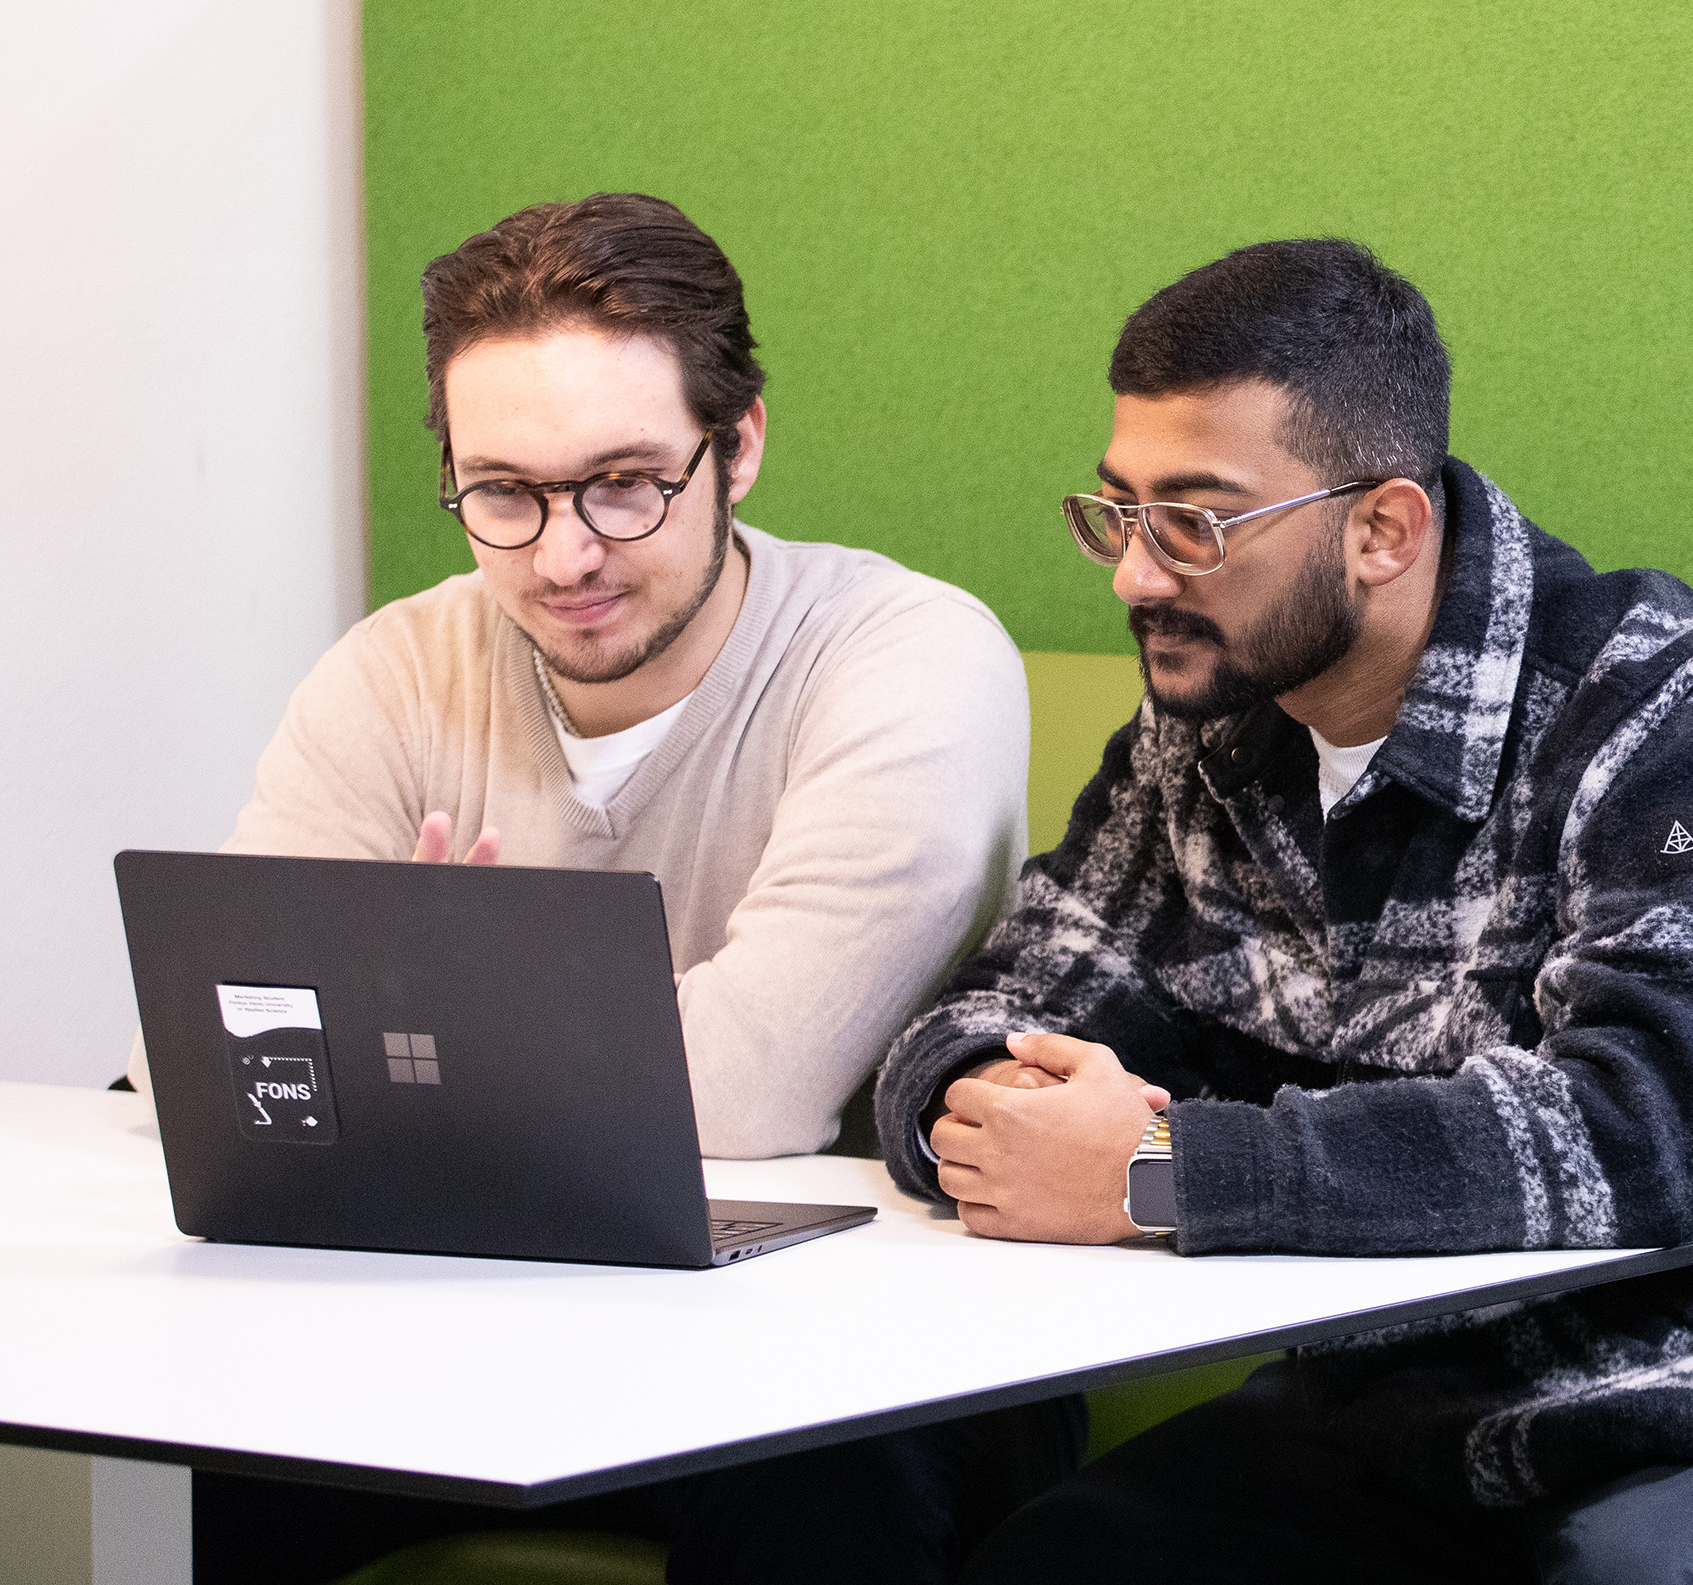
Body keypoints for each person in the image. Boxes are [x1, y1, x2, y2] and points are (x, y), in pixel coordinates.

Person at [878, 238, 1693, 1585]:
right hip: (1419, 1399)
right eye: (1120, 512)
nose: (1138, 576)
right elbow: (1012, 994)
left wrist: (1159, 1169)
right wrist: (989, 1109)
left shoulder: (1678, 703)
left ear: (1382, 530)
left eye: (1197, 520)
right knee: (1052, 1567)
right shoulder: (1209, 712)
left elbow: (1648, 1137)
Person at [169, 192, 1077, 1585]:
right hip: (478, 1317)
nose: (564, 552)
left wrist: (434, 1024)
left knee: (819, 1486)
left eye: (626, 483)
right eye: (504, 494)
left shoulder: (905, 658)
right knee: (165, 1477)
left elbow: (756, 1094)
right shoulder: (396, 673)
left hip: (845, 1347)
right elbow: (218, 1067)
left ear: (742, 446)